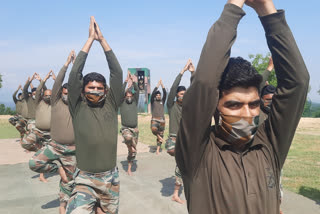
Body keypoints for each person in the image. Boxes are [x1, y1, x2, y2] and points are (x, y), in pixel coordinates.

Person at [175, 0, 309, 213]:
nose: (247, 114)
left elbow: (297, 83)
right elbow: (204, 83)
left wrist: (266, 9)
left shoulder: (269, 145)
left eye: (254, 104)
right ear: (215, 109)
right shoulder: (198, 154)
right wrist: (233, 7)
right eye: (234, 105)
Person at [66, 16, 122, 214]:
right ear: (83, 90)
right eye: (91, 87)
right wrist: (90, 40)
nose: (95, 91)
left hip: (111, 179)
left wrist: (103, 40)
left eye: (100, 88)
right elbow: (74, 76)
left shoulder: (112, 104)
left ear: (105, 90)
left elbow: (117, 73)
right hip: (84, 179)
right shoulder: (77, 105)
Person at [29, 50, 76, 214]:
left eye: (69, 94)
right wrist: (66, 64)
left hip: (72, 149)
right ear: (60, 93)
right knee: (34, 163)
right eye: (64, 93)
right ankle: (58, 169)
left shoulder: (77, 104)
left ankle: (63, 206)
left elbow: (79, 82)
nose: (66, 96)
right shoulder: (55, 101)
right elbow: (58, 83)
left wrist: (76, 65)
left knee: (68, 181)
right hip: (55, 145)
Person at [165, 59, 194, 204]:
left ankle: (176, 194)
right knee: (172, 150)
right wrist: (182, 72)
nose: (183, 95)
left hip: (186, 141)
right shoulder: (171, 106)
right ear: (177, 95)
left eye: (185, 93)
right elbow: (173, 88)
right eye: (180, 94)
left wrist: (193, 73)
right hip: (173, 139)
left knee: (182, 167)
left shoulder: (189, 107)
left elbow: (196, 89)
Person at [26, 71, 55, 182]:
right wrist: (42, 80)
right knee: (27, 143)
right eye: (46, 95)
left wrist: (50, 80)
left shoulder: (54, 103)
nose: (48, 97)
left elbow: (53, 91)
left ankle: (42, 175)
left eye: (50, 96)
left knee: (49, 153)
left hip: (52, 133)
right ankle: (39, 148)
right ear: (43, 96)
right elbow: (38, 91)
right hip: (39, 132)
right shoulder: (39, 103)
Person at [120, 72, 139, 176]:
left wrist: (134, 81)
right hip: (125, 128)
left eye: (130, 95)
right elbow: (120, 93)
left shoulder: (135, 102)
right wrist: (126, 81)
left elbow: (137, 91)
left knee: (133, 153)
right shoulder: (122, 103)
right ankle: (129, 146)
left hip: (135, 129)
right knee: (127, 138)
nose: (129, 97)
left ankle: (129, 168)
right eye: (127, 96)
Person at [150, 79, 167, 155]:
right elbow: (153, 93)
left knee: (161, 134)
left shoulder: (162, 101)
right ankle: (158, 136)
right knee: (153, 129)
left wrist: (162, 85)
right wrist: (157, 85)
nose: (158, 96)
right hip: (154, 119)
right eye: (157, 95)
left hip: (162, 120)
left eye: (159, 95)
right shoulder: (153, 101)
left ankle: (158, 149)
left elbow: (165, 93)